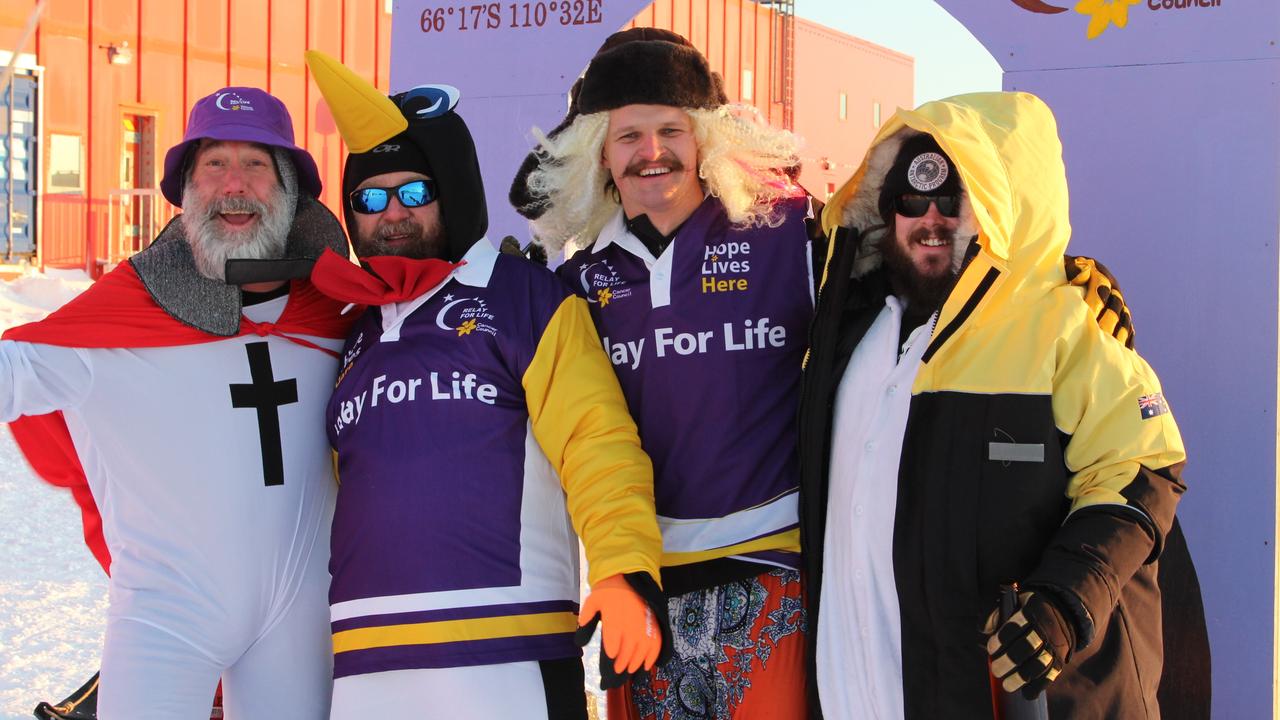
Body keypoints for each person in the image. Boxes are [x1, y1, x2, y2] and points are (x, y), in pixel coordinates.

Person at [796, 91, 1188, 719]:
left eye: (953, 201)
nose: (930, 219)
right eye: (910, 201)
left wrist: (1067, 602)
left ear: (1001, 214)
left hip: (1022, 698)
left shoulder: (1068, 328)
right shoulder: (846, 328)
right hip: (869, 695)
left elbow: (1140, 474)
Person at [303, 51, 666, 719]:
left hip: (506, 650)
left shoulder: (525, 300)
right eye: (370, 199)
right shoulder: (348, 333)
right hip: (366, 660)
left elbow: (597, 443)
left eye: (414, 192)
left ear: (454, 187)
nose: (392, 214)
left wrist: (623, 568)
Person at [3, 87, 353, 718]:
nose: (233, 185)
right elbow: (14, 372)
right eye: (213, 164)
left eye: (256, 164)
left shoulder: (335, 311)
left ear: (291, 188)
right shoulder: (126, 310)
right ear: (186, 188)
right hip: (167, 617)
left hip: (297, 621)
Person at [512, 30, 814, 719]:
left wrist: (1063, 279)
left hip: (772, 571)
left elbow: (911, 281)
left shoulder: (786, 233)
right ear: (598, 155)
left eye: (670, 129)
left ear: (705, 138)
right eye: (628, 136)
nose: (652, 152)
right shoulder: (575, 279)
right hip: (640, 587)